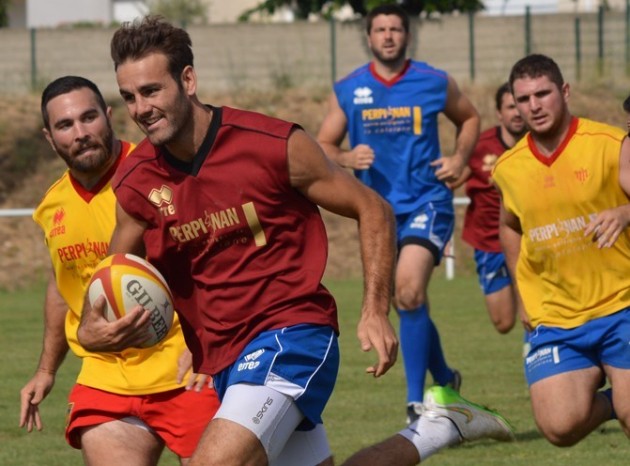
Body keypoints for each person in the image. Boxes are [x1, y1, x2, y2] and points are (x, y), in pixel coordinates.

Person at [75, 15, 513, 466]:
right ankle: (437, 428)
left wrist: (374, 311)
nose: (140, 108)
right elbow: (114, 274)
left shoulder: (271, 144)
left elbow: (373, 208)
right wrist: (93, 328)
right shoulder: (137, 183)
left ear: (187, 80)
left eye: (151, 91)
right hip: (224, 358)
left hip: (293, 335)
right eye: (129, 96)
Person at [19, 75, 220, 466]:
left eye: (89, 117)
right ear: (49, 137)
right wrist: (46, 370)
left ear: (109, 117)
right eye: (65, 125)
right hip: (105, 373)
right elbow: (63, 286)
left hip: (183, 366)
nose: (80, 132)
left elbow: (214, 261)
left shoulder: (160, 174)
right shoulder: (51, 205)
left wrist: (209, 346)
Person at [317, 4, 480, 424]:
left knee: (408, 290)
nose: (388, 36)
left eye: (395, 29)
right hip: (379, 214)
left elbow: (470, 118)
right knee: (409, 301)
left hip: (428, 200)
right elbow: (323, 146)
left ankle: (415, 403)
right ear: (369, 37)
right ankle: (445, 377)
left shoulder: (433, 81)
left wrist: (460, 158)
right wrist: (347, 155)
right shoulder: (349, 88)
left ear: (406, 36)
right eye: (380, 29)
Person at [493, 53, 630, 446]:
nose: (534, 106)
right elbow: (509, 226)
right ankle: (620, 399)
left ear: (564, 91)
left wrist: (624, 212)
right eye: (523, 99)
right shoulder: (508, 168)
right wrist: (523, 296)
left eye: (543, 93)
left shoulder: (608, 144)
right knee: (559, 427)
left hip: (622, 303)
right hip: (556, 316)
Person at [449, 83, 526, 334]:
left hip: (532, 239)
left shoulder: (539, 143)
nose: (517, 112)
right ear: (499, 113)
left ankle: (537, 349)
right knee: (503, 323)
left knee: (538, 310)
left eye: (520, 106)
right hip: (489, 242)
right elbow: (451, 182)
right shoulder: (481, 146)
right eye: (510, 107)